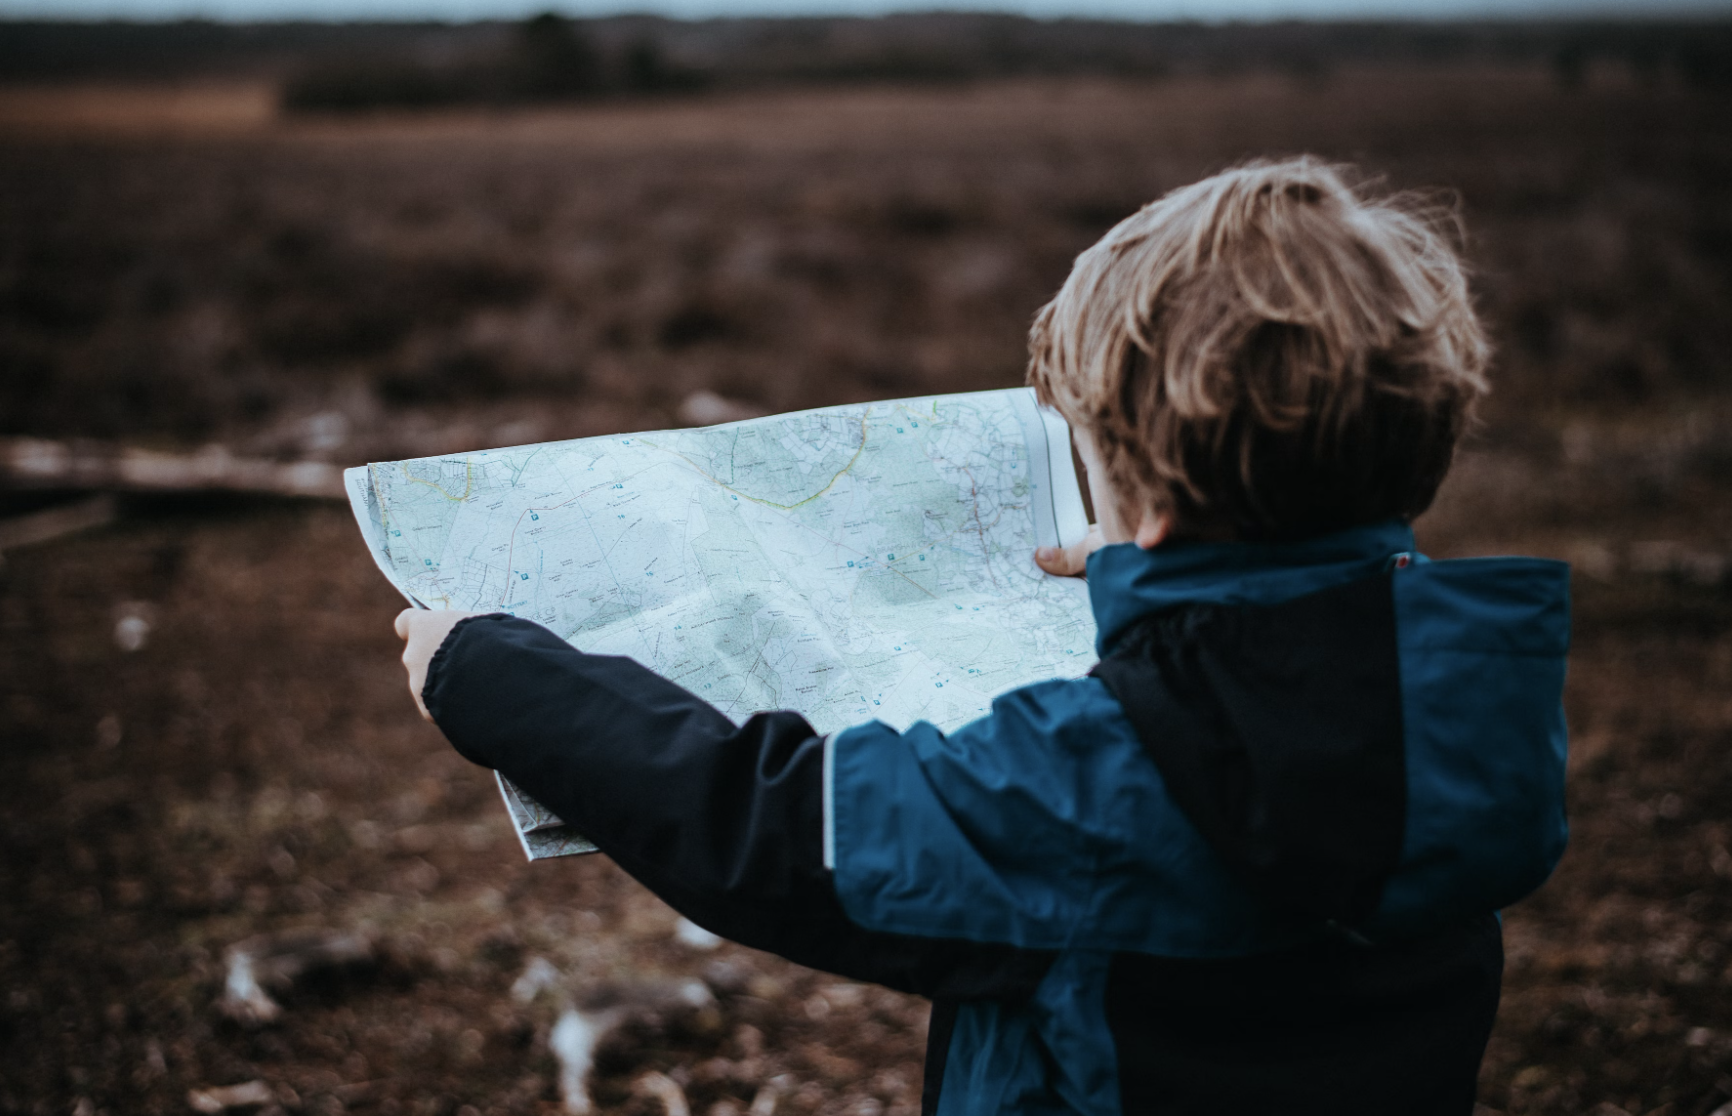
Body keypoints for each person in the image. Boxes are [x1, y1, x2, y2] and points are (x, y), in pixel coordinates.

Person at [394, 157, 1569, 1115]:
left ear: (1148, 500)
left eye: (1092, 461)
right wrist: (1152, 576)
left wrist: (488, 672)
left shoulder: (1094, 785)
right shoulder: (1473, 712)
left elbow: (774, 830)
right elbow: (1292, 661)